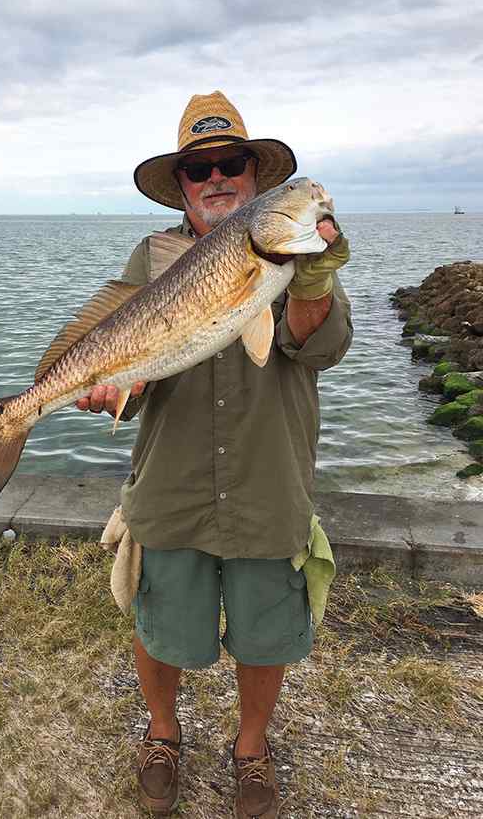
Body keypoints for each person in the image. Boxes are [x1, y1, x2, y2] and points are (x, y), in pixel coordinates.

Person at [76, 91, 352, 818]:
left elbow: (318, 343)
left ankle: (252, 747)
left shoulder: (299, 258)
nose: (216, 177)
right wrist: (114, 393)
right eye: (200, 169)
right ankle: (163, 733)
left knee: (267, 628)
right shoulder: (153, 257)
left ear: (256, 177)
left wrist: (313, 277)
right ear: (184, 186)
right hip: (173, 479)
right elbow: (138, 374)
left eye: (231, 162)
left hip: (269, 478)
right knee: (159, 614)